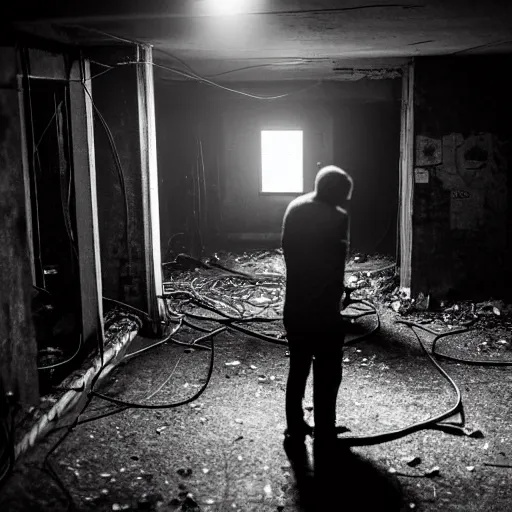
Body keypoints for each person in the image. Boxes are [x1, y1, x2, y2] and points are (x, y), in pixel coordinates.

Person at [281, 165, 353, 467]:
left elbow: (288, 252)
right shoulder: (338, 217)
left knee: (298, 367)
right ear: (336, 191)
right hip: (323, 308)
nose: (346, 201)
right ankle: (324, 427)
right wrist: (338, 296)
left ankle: (294, 425)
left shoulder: (294, 207)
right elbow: (336, 265)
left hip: (295, 303)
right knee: (328, 370)